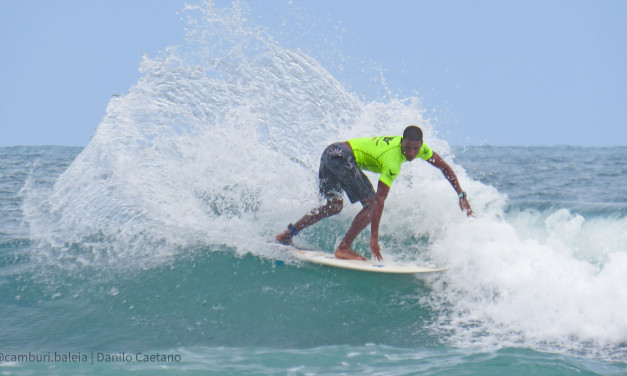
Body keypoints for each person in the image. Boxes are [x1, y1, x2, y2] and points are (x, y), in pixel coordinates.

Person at [276, 125, 474, 261]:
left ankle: (288, 234)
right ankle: (344, 247)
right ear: (401, 142)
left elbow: (444, 167)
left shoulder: (422, 150)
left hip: (331, 152)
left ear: (421, 145)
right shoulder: (392, 161)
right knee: (371, 205)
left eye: (415, 149)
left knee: (333, 206)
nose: (411, 153)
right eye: (407, 148)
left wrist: (461, 195)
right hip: (340, 157)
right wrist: (374, 238)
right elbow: (379, 201)